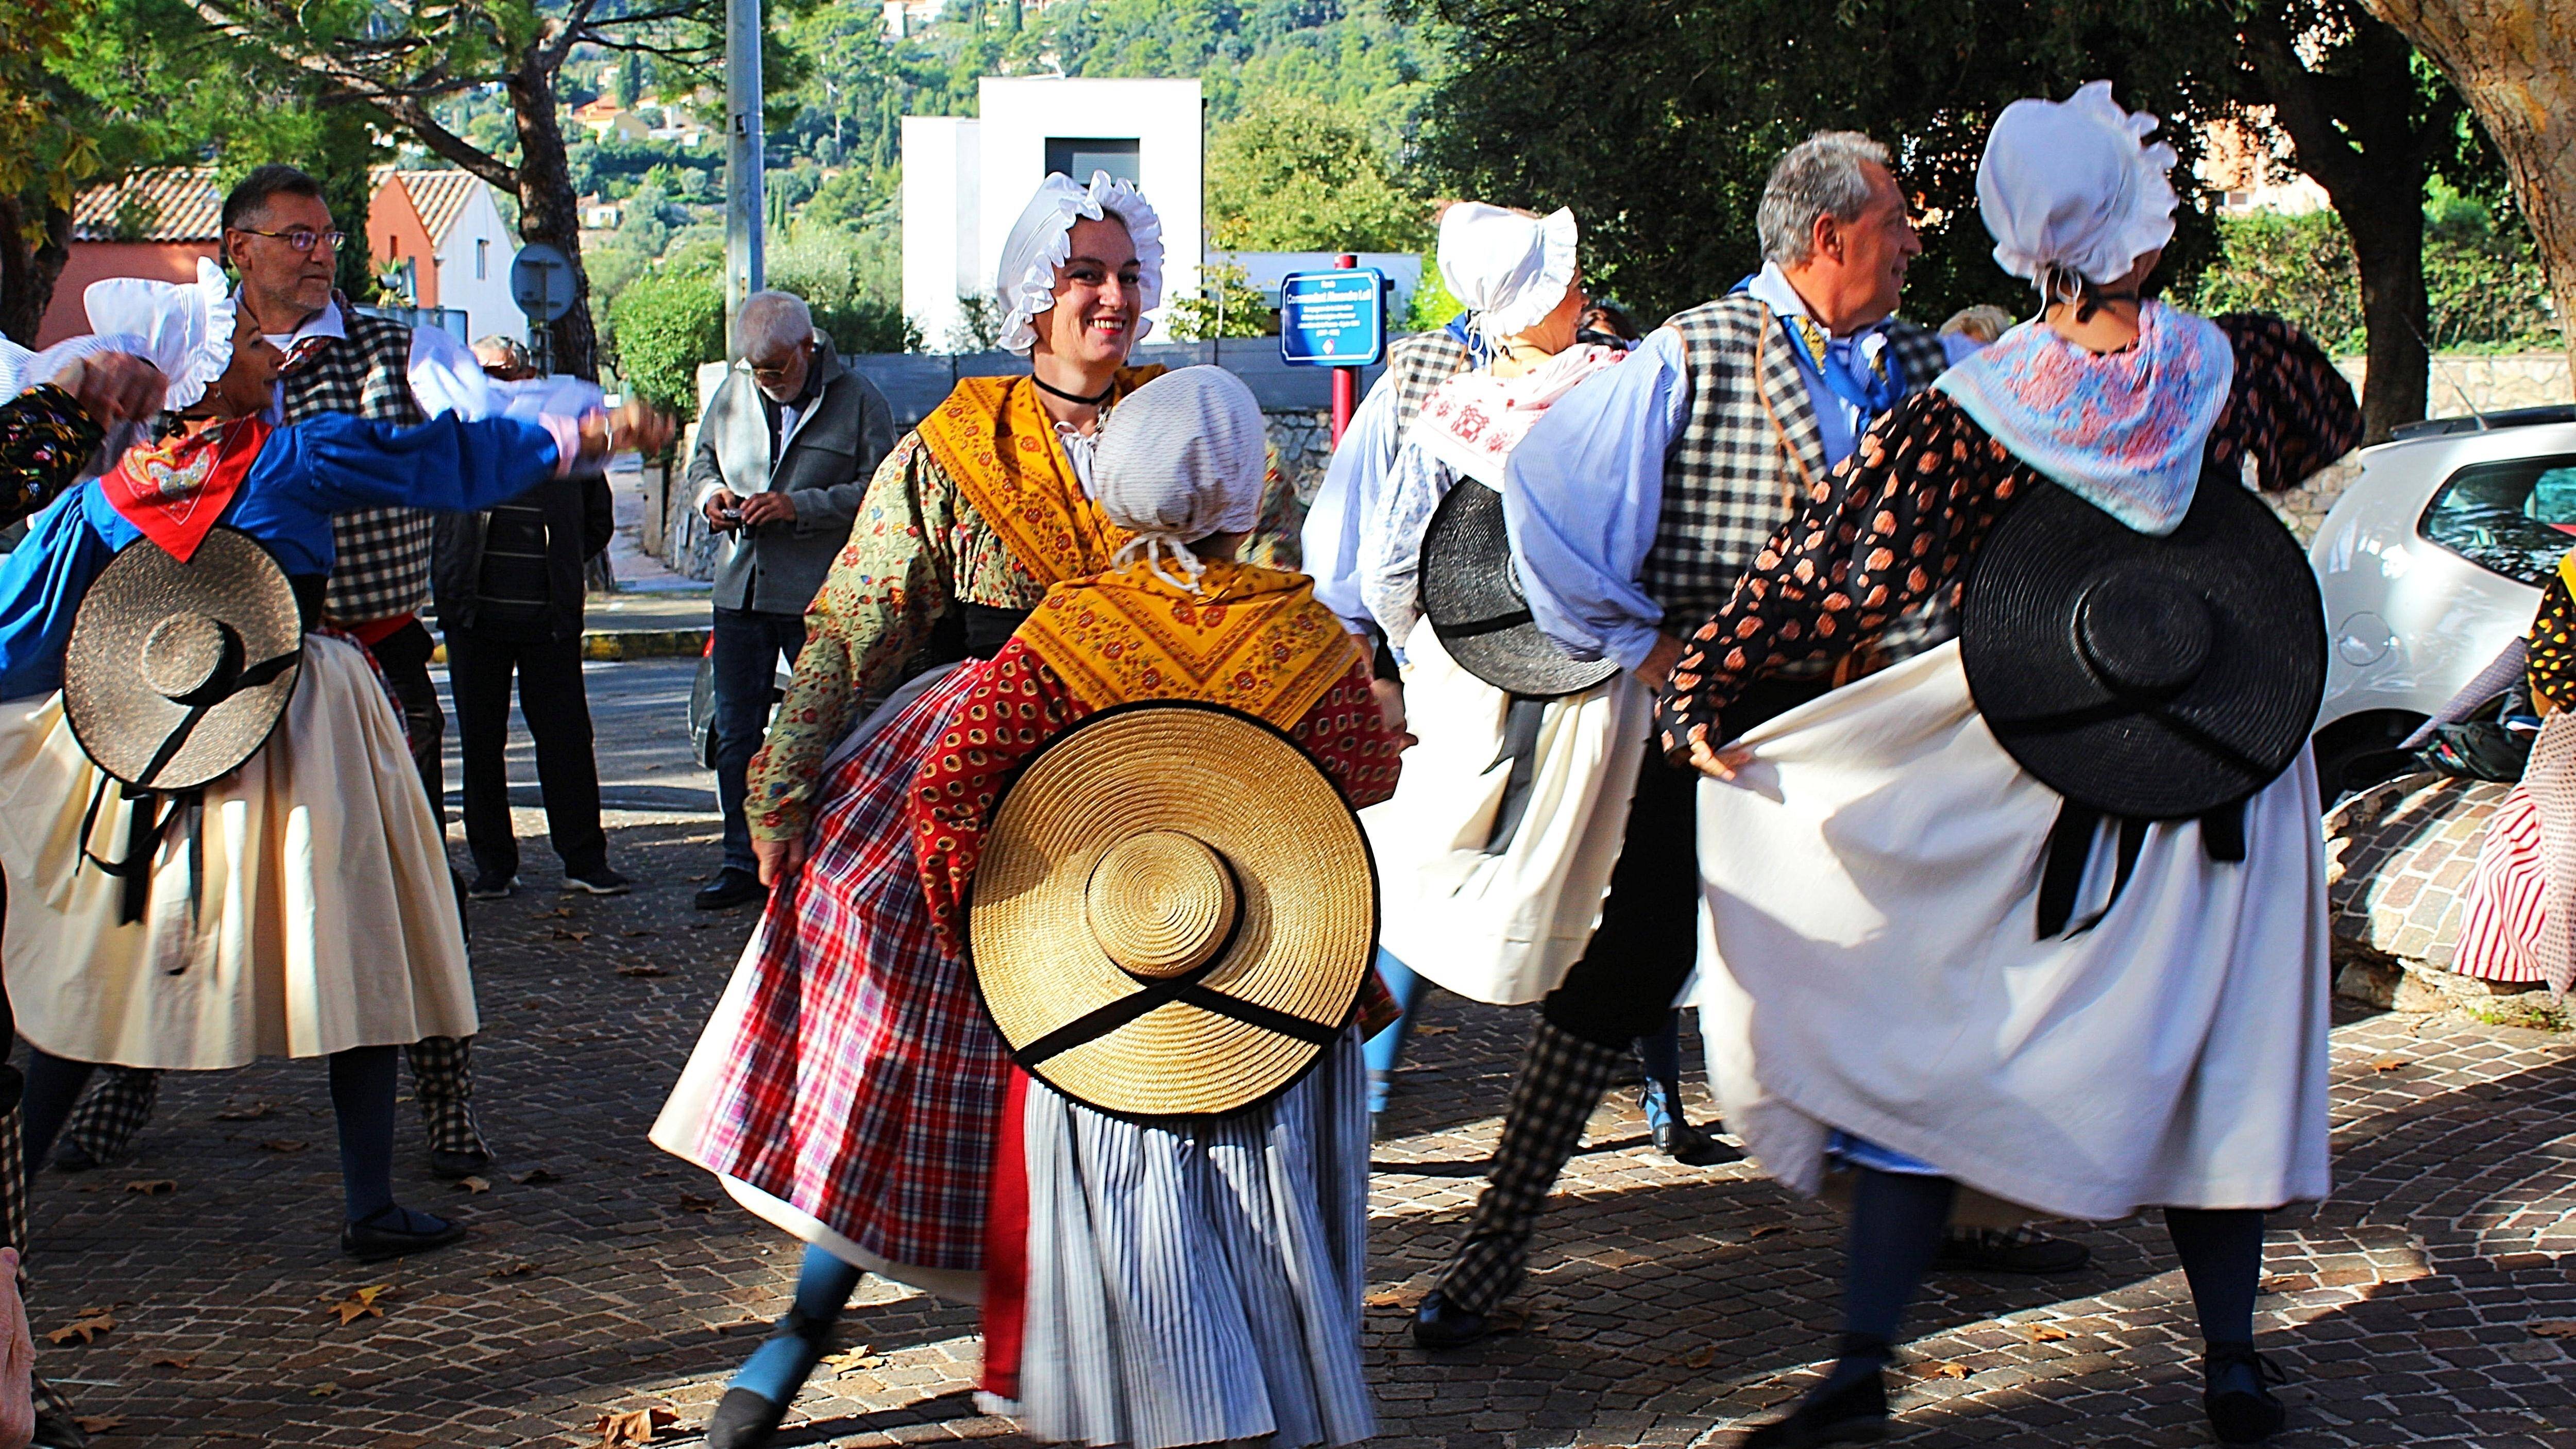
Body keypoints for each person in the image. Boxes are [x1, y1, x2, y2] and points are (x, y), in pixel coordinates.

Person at [1658, 83, 2361, 1447]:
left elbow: (1841, 568)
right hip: (2224, 751)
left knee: (1939, 1029)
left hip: (2044, 764)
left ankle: (1863, 1361)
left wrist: (1709, 674)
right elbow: (2325, 427)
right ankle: (2231, 1362)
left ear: (2030, 238)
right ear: (2140, 228)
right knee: (2219, 1052)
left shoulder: (1975, 408)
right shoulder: (2243, 365)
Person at [1408, 131, 2070, 1355]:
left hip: (1882, 726)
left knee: (1938, 960)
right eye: (1896, 220)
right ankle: (1491, 1247)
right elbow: (1549, 499)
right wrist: (1653, 652)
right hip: (1724, 725)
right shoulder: (1691, 351)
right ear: (1829, 234)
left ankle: (1958, 1213)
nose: (1914, 241)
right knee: (1629, 964)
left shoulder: (1932, 365)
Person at [651, 170, 1177, 1449]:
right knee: (906, 1044)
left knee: (1119, 1068)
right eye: (1083, 274)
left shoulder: (1188, 418)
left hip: (1145, 770)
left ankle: (1109, 1337)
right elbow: (856, 619)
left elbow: (1260, 581)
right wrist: (784, 778)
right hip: (974, 770)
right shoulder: (958, 441)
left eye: (1125, 274)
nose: (1110, 297)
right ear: (1033, 292)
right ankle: (805, 1320)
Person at [0, 262, 667, 1260]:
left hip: (161, 741)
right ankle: (367, 1201)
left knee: (105, 957)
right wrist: (585, 434)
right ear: (203, 378)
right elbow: (440, 459)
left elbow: (18, 626)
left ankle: (15, 1194)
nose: (273, 357)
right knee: (358, 946)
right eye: (248, 345)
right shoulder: (296, 457)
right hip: (305, 726)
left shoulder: (107, 499)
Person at [918, 367, 1402, 1447]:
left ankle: (1166, 1413)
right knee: (1273, 1214)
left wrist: (1010, 950)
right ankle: (1278, 1403)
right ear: (1243, 487)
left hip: (1105, 988)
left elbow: (949, 790)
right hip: (1275, 978)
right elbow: (1367, 773)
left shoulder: (1061, 634)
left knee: (1134, 1237)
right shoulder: (1305, 635)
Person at [55, 163, 523, 1178]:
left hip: (366, 659)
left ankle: (445, 1101)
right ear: (241, 247)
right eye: (298, 236)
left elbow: (474, 427)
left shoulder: (398, 348)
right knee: (164, 883)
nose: (320, 253)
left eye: (327, 236)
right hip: (200, 674)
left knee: (404, 885)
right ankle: (124, 1078)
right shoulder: (183, 355)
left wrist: (543, 418)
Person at [1346, 202, 1717, 1161]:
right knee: (1618, 881)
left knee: (1429, 868)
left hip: (1482, 679)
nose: (1582, 288)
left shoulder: (1452, 414)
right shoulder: (1620, 391)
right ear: (1533, 300)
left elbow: (1392, 570)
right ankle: (1653, 1096)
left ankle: (1372, 1090)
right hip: (1607, 676)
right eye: (1565, 278)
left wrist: (1433, 658)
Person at [686, 291, 899, 912]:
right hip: (741, 589)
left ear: (809, 347)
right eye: (756, 369)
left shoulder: (859, 400)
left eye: (776, 368)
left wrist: (798, 507)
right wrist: (712, 497)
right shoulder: (733, 391)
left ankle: (827, 859)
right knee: (735, 734)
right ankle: (740, 860)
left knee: (828, 729)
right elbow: (701, 462)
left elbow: (880, 492)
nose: (766, 380)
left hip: (817, 596)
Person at [432, 403, 626, 899]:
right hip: (473, 615)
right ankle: (493, 866)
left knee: (567, 741)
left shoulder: (566, 442)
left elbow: (596, 523)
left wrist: (561, 561)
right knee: (480, 744)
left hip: (550, 618)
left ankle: (584, 860)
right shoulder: (465, 434)